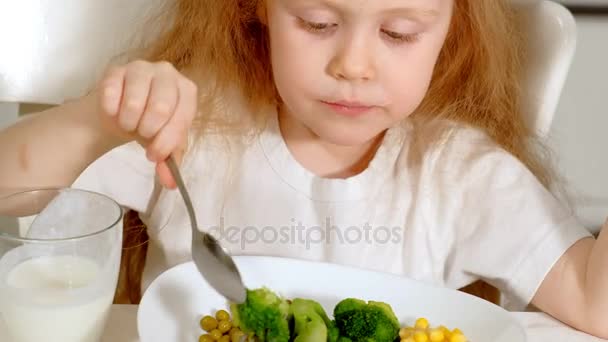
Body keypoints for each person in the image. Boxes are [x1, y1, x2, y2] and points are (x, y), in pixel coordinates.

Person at [1, 0, 606, 337]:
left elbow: (593, 301)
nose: (354, 64)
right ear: (256, 7)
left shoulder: (461, 175)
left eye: (399, 33)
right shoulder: (197, 121)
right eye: (318, 23)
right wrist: (103, 121)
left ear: (453, 26)